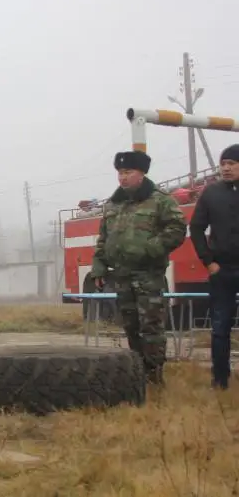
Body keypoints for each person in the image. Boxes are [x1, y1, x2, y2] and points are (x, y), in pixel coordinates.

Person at [90, 150, 186, 385]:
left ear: (141, 173)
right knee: (131, 327)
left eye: (128, 172)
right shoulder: (113, 204)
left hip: (148, 276)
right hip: (122, 276)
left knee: (151, 328)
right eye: (120, 173)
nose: (123, 177)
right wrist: (99, 265)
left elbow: (177, 229)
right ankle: (137, 375)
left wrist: (149, 248)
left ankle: (154, 377)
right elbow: (104, 238)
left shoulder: (160, 200)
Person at [189, 144, 239, 390]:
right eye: (223, 164)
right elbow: (196, 228)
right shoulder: (211, 193)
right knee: (220, 328)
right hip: (222, 270)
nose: (226, 168)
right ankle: (220, 381)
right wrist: (208, 261)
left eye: (232, 164)